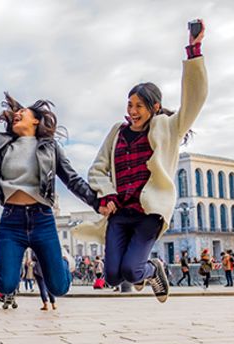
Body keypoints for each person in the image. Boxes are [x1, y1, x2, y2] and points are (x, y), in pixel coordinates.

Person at [82, 20, 207, 303]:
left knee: (131, 268)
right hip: (121, 213)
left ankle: (153, 269)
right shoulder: (117, 132)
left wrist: (194, 51)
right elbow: (98, 168)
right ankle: (143, 272)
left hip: (148, 213)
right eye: (130, 105)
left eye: (139, 105)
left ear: (155, 107)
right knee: (113, 276)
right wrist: (108, 193)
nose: (132, 111)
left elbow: (195, 100)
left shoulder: (168, 127)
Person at [0, 93, 100, 303]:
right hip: (12, 220)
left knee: (60, 287)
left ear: (36, 120)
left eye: (23, 112)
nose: (17, 114)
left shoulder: (49, 147)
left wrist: (97, 203)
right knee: (6, 284)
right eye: (15, 113)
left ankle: (64, 260)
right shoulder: (1, 148)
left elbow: (72, 179)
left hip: (42, 219)